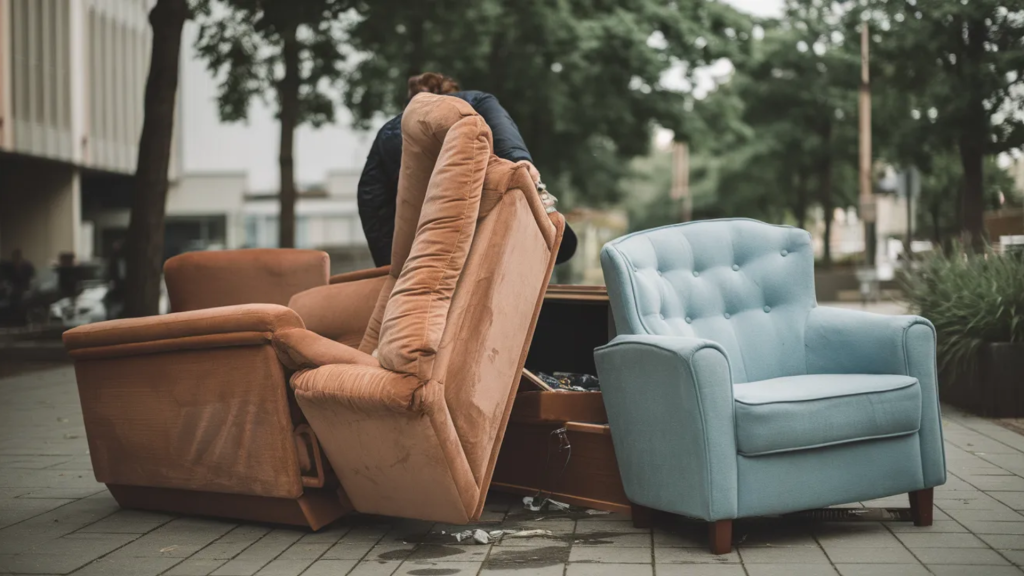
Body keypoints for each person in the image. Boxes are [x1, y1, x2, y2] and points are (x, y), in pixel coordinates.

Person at [357, 72, 577, 267]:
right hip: (476, 221)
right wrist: (521, 161)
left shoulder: (386, 134)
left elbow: (371, 200)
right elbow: (503, 130)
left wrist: (387, 265)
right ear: (451, 92)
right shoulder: (474, 100)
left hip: (427, 242)